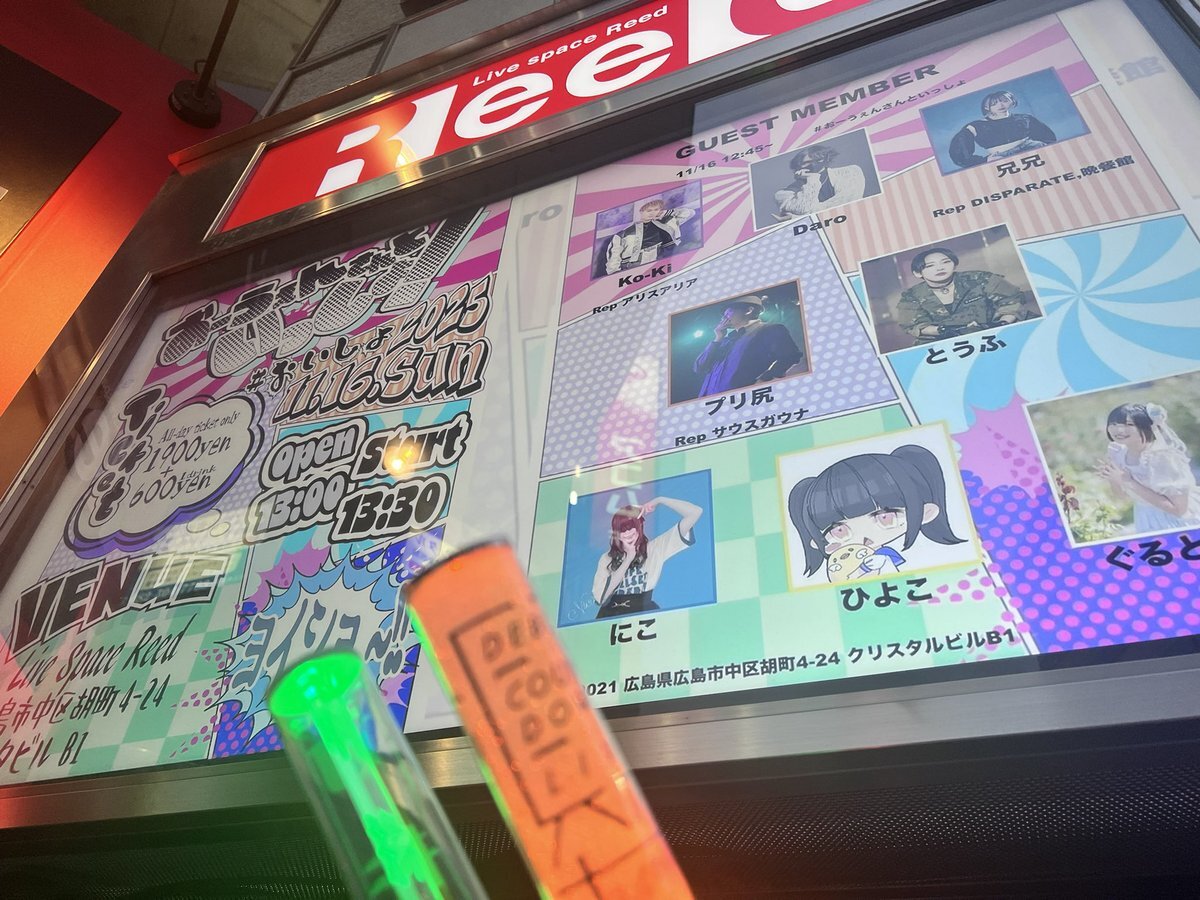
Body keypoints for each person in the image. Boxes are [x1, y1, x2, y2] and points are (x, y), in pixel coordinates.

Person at [787, 445, 966, 583]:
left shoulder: (887, 555)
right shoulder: (839, 563)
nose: (865, 537)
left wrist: (882, 565)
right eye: (839, 530)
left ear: (926, 512)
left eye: (885, 517)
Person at [1093, 403, 1200, 534]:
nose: (1119, 430)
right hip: (1145, 519)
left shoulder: (1163, 458)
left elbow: (1179, 510)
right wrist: (1113, 478)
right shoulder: (1118, 453)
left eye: (1129, 424)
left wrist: (1129, 481)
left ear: (1145, 426)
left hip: (1177, 523)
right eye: (1113, 424)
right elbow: (1122, 497)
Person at [592, 496, 703, 618]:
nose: (628, 532)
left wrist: (660, 500)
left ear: (640, 526)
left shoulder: (655, 548)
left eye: (631, 526)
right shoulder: (607, 558)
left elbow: (695, 512)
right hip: (609, 617)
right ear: (616, 533)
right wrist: (628, 558)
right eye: (622, 529)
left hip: (643, 615)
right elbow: (600, 597)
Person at [895, 247, 1031, 344]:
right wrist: (944, 331)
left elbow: (1012, 300)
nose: (940, 268)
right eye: (930, 266)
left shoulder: (980, 278)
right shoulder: (911, 295)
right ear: (918, 273)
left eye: (946, 262)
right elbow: (914, 325)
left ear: (954, 265)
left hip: (996, 330)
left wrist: (1002, 323)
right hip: (946, 339)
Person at [692, 295, 805, 397]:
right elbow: (699, 367)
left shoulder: (769, 329)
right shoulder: (725, 340)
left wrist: (764, 381)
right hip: (710, 402)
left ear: (748, 310)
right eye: (724, 315)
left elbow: (790, 356)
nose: (724, 318)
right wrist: (717, 339)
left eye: (729, 312)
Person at [948, 89, 1057, 170]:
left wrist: (1044, 147)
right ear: (986, 107)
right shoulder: (975, 126)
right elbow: (958, 152)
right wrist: (984, 160)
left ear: (1012, 101)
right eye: (994, 104)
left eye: (1004, 101)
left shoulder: (1025, 118)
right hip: (1001, 157)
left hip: (1032, 148)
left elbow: (1048, 137)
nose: (1000, 105)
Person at [773, 144, 865, 220]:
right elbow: (803, 209)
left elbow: (847, 205)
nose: (802, 167)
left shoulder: (850, 173)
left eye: (806, 163)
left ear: (824, 159)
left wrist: (796, 217)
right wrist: (811, 178)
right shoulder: (783, 194)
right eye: (799, 165)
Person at [603, 199, 695, 275]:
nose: (652, 213)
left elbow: (690, 213)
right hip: (633, 267)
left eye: (656, 209)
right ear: (641, 212)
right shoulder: (624, 234)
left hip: (660, 262)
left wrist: (667, 213)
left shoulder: (667, 223)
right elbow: (613, 257)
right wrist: (615, 274)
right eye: (649, 210)